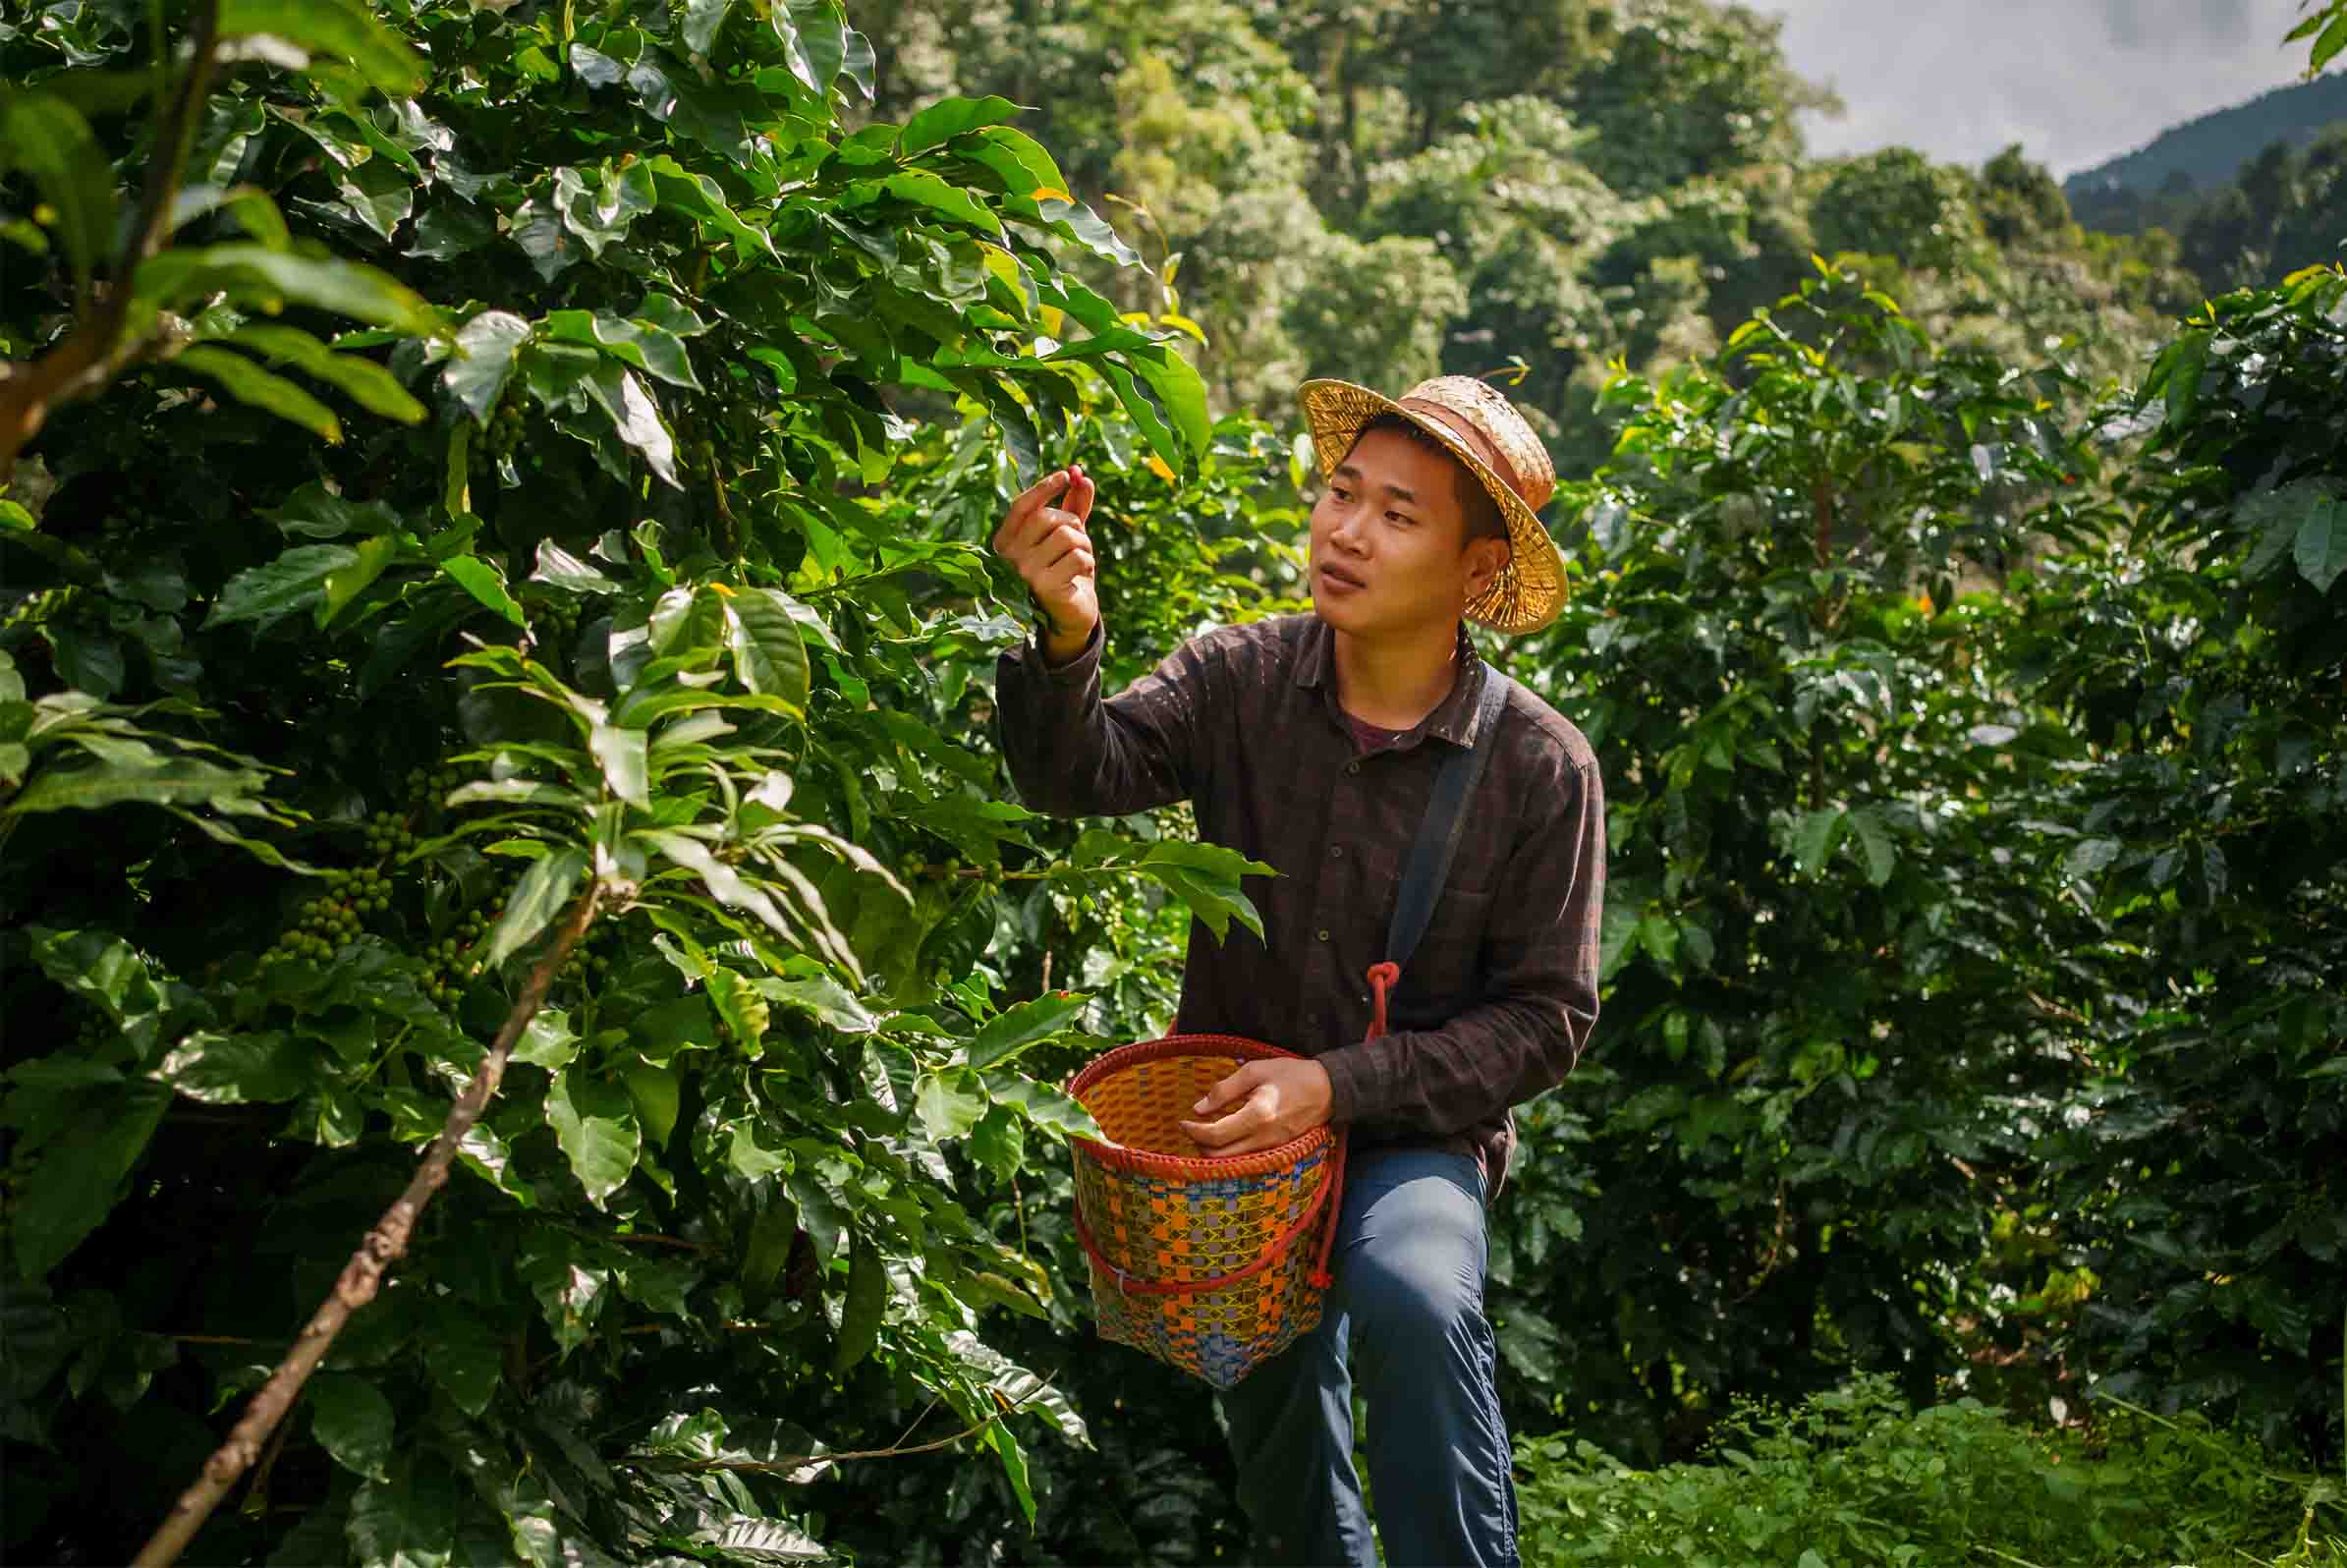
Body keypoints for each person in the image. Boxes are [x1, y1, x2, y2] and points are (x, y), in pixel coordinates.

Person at [990, 373, 1606, 1568]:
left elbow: (1543, 1022)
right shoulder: (1242, 681)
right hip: (1234, 1131)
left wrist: (1335, 1085)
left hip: (1410, 1131)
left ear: (1478, 573)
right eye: (1342, 494)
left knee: (1416, 1300)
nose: (1347, 531)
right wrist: (1067, 631)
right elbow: (1079, 776)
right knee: (1277, 1431)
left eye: (1398, 513)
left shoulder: (1539, 768)